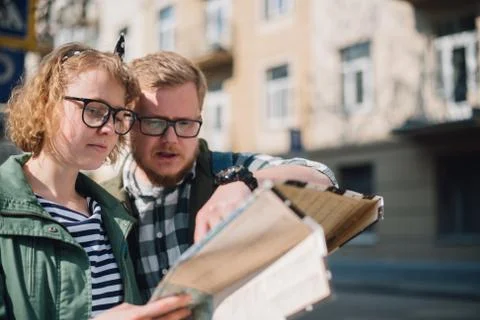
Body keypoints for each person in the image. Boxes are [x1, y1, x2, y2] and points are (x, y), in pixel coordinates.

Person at [102, 51, 338, 301]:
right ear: (126, 122)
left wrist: (243, 181)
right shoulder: (100, 201)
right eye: (154, 123)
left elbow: (323, 178)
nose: (170, 139)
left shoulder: (226, 169)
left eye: (184, 124)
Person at [0, 43, 191, 320]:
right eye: (94, 110)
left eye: (118, 116)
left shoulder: (112, 214)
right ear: (46, 105)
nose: (109, 128)